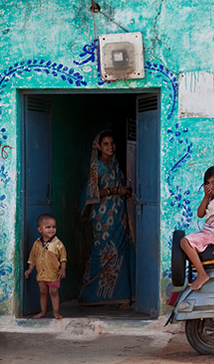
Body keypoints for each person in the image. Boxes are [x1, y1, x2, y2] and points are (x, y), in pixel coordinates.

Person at [79, 130, 135, 307]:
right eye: (106, 144)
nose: (110, 147)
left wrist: (123, 190)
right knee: (104, 252)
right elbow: (93, 191)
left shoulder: (114, 163)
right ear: (98, 146)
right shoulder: (98, 166)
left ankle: (120, 296)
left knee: (121, 251)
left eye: (112, 143)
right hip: (103, 217)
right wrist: (116, 191)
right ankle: (91, 295)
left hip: (119, 214)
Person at [180, 166, 214, 290]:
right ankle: (201, 272)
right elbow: (200, 214)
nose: (211, 186)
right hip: (208, 231)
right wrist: (205, 197)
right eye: (208, 183)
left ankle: (202, 274)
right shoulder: (210, 197)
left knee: (184, 242)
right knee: (185, 241)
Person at [25, 214, 67, 319]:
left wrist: (63, 269)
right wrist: (30, 270)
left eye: (54, 227)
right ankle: (43, 312)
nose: (51, 229)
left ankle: (56, 312)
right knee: (43, 292)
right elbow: (32, 258)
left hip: (53, 274)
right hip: (41, 275)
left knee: (53, 292)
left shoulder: (58, 244)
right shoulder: (37, 244)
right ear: (40, 229)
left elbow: (63, 258)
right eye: (48, 227)